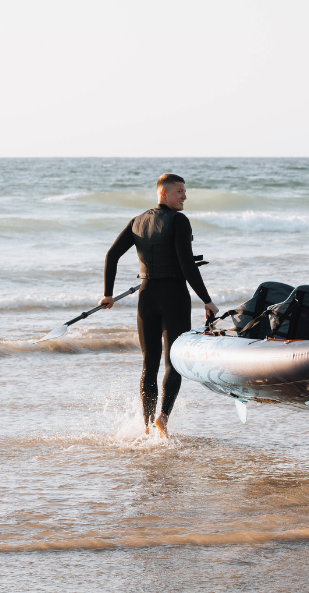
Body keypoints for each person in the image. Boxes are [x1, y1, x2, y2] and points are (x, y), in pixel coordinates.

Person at [101, 174, 218, 438]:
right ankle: (162, 418)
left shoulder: (137, 221)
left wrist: (107, 294)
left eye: (185, 191)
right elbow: (187, 266)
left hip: (146, 296)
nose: (185, 196)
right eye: (179, 191)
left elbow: (111, 255)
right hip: (174, 296)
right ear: (163, 193)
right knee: (172, 362)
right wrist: (207, 300)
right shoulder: (179, 221)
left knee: (149, 363)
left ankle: (145, 426)